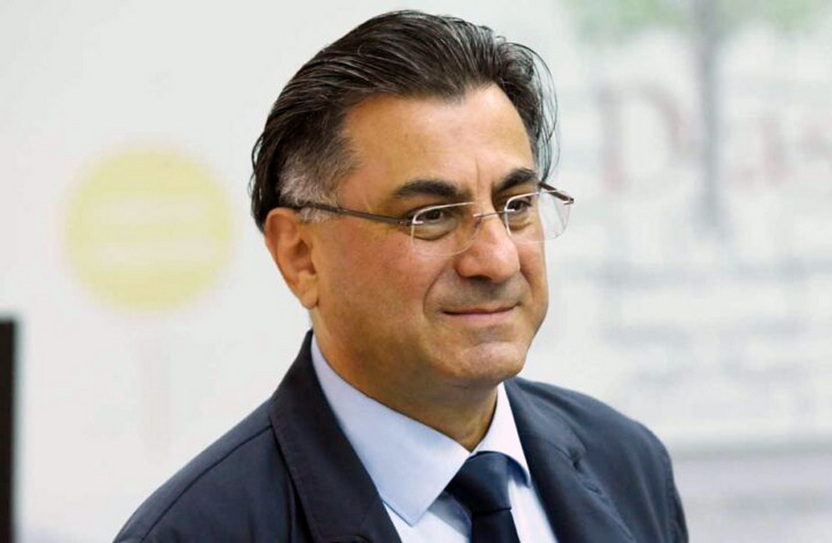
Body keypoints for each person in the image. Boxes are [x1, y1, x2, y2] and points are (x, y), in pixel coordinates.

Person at [115, 10, 687, 543]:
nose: (497, 260)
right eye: (431, 216)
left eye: (516, 205)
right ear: (301, 255)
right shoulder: (199, 531)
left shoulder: (625, 462)